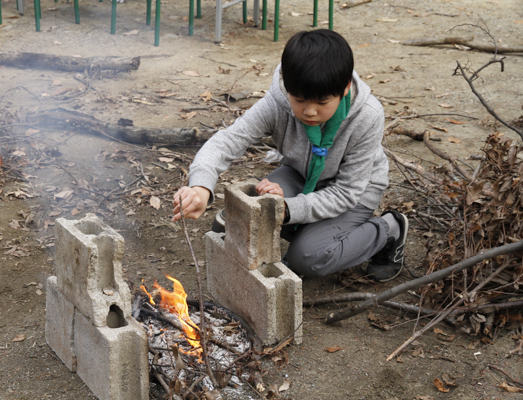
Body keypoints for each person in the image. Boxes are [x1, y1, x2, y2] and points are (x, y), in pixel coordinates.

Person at [171, 29, 408, 282]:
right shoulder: (278, 102)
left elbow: (347, 192)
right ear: (286, 84)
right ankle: (308, 229)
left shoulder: (367, 116)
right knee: (250, 212)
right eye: (300, 100)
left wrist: (287, 209)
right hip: (301, 175)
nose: (309, 112)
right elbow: (227, 140)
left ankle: (389, 229)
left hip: (354, 193)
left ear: (345, 88)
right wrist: (200, 186)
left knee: (307, 258)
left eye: (322, 102)